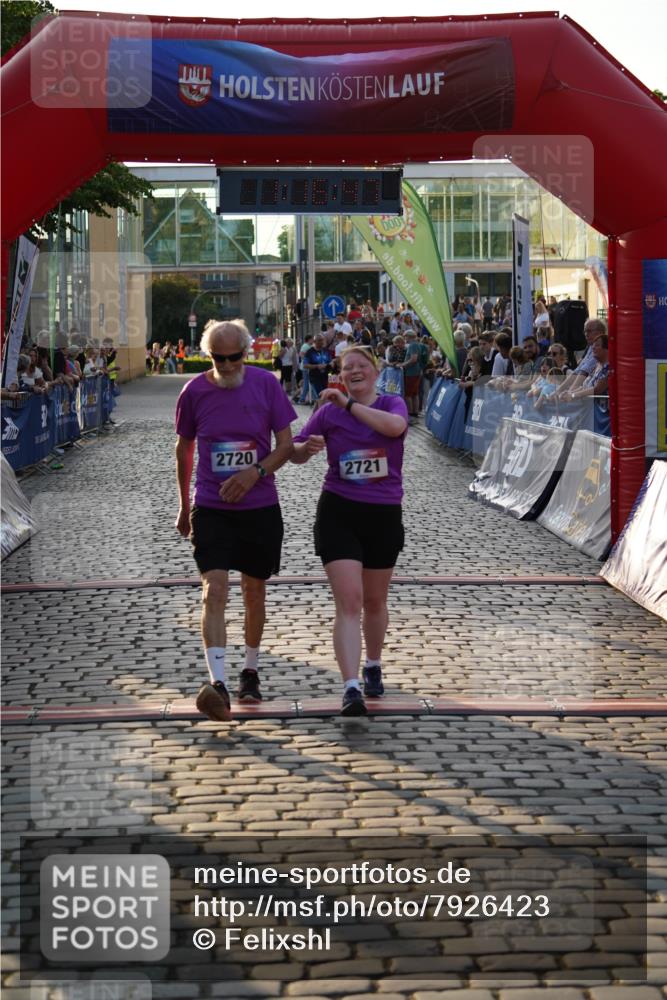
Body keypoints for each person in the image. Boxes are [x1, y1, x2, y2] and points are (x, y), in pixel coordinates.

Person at [174, 319, 296, 722]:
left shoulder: (266, 385)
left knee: (254, 590)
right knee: (215, 588)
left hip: (259, 505)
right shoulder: (193, 392)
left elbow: (286, 445)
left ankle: (250, 670)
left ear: (248, 352)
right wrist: (182, 504)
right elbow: (184, 449)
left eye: (234, 357)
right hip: (210, 505)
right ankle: (219, 683)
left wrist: (254, 473)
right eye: (218, 358)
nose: (227, 365)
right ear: (209, 354)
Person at [290, 346, 408, 717]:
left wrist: (348, 407)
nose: (354, 371)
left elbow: (395, 429)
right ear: (341, 377)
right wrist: (305, 448)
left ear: (375, 372)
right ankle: (351, 687)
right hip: (338, 511)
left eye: (361, 366)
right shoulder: (328, 413)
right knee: (350, 602)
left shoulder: (392, 404)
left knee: (374, 601)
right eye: (346, 368)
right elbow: (293, 450)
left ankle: (372, 663)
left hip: (383, 514)